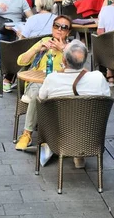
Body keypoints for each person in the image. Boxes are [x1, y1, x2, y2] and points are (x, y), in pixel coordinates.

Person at [38, 39, 111, 168]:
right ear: (84, 61)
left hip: (58, 136)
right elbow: (107, 97)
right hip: (90, 135)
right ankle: (79, 155)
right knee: (81, 116)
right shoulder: (98, 77)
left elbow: (41, 98)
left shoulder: (52, 79)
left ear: (64, 61)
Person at [14, 15, 72, 150]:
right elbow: (20, 61)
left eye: (64, 28)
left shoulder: (72, 47)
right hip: (37, 82)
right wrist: (36, 49)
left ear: (68, 32)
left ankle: (52, 135)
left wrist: (64, 49)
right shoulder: (44, 41)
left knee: (48, 95)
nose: (59, 30)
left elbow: (79, 66)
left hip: (60, 85)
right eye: (56, 26)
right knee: (39, 94)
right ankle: (27, 134)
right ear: (52, 27)